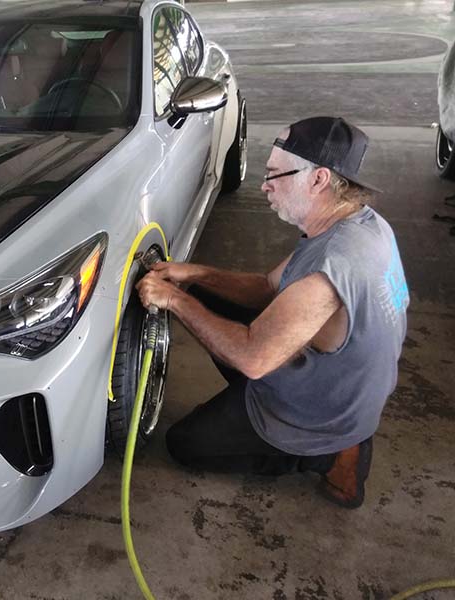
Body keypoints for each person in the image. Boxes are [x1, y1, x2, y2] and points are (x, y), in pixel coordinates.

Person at [136, 116, 409, 508]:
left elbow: (253, 360)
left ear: (318, 179)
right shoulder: (361, 224)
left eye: (275, 174)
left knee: (183, 444)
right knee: (203, 294)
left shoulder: (330, 269)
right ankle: (315, 427)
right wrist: (193, 275)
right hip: (343, 382)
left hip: (320, 413)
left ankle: (330, 456)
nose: (264, 185)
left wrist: (174, 300)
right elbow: (268, 287)